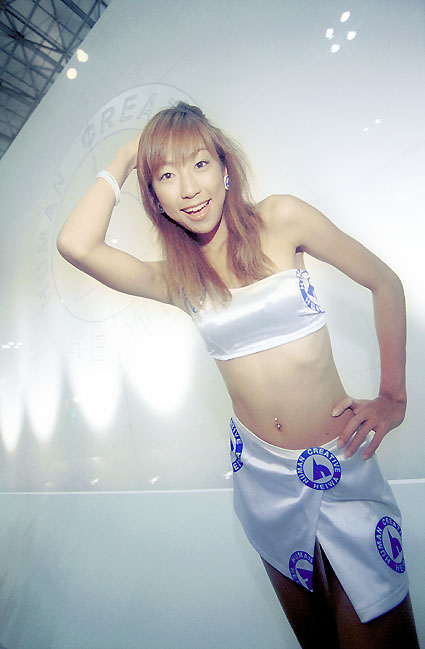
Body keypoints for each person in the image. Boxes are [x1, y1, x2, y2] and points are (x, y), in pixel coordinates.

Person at [57, 102, 419, 649]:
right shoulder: (180, 279)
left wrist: (393, 396)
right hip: (263, 481)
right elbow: (76, 245)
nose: (188, 189)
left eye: (199, 164)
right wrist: (129, 153)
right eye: (166, 176)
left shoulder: (282, 218)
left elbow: (385, 282)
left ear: (225, 166)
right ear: (154, 198)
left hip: (341, 468)